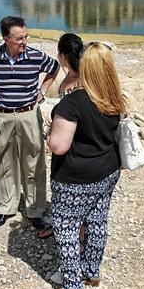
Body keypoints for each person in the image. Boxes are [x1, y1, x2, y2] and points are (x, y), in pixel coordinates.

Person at [46, 42, 127, 289]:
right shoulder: (115, 98)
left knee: (66, 227)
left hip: (76, 177)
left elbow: (58, 146)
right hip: (108, 171)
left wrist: (50, 128)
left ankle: (72, 288)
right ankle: (91, 271)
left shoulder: (72, 104)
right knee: (97, 221)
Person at [0, 16, 59, 228]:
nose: (24, 41)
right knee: (4, 161)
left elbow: (54, 67)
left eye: (26, 36)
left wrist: (42, 91)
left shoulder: (36, 56)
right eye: (19, 38)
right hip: (1, 116)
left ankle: (35, 210)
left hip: (28, 114)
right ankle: (6, 207)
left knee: (34, 162)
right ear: (6, 38)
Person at [37, 32, 85, 240]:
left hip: (76, 141)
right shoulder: (69, 73)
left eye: (58, 52)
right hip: (62, 133)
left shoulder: (82, 79)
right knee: (58, 183)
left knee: (75, 189)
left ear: (64, 55)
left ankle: (77, 232)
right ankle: (59, 224)